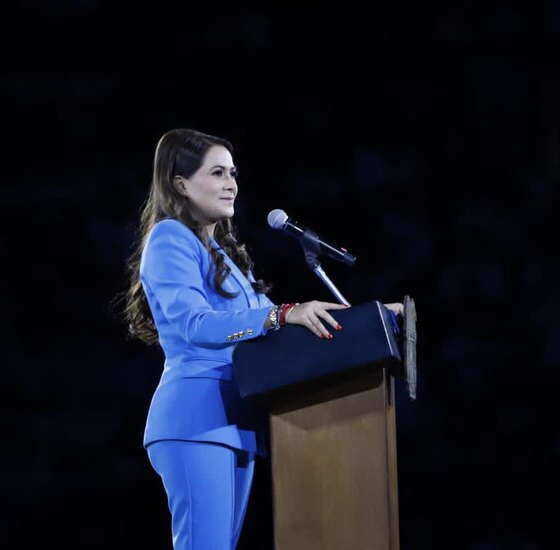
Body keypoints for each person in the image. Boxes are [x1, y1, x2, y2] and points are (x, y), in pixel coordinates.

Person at [119, 128, 403, 549]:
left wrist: (369, 318)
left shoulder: (224, 254)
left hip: (237, 418)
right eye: (217, 173)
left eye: (232, 172)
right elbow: (196, 324)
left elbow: (279, 323)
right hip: (196, 419)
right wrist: (282, 313)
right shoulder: (169, 238)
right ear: (181, 183)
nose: (231, 183)